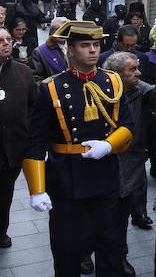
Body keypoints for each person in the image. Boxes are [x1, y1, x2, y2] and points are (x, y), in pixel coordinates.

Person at [23, 21, 134, 277]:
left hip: (104, 175)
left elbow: (127, 124)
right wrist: (37, 190)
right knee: (66, 248)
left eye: (96, 45)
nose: (93, 51)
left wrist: (108, 145)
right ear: (70, 50)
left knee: (109, 244)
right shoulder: (50, 88)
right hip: (65, 179)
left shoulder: (112, 82)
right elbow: (36, 141)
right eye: (85, 45)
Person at [106, 51, 155, 277]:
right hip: (105, 164)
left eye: (137, 67)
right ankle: (87, 254)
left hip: (131, 162)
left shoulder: (143, 91)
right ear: (116, 75)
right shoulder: (100, 92)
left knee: (121, 216)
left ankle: (120, 256)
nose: (139, 72)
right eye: (132, 70)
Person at [0, 29, 38, 248]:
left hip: (13, 149)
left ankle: (1, 231)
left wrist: (27, 128)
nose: (6, 43)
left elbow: (34, 104)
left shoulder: (23, 72)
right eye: (1, 40)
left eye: (8, 39)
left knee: (5, 195)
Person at [29, 17, 69, 81]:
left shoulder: (76, 48)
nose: (61, 32)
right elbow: (36, 79)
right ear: (52, 31)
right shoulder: (40, 52)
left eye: (64, 29)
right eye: (57, 29)